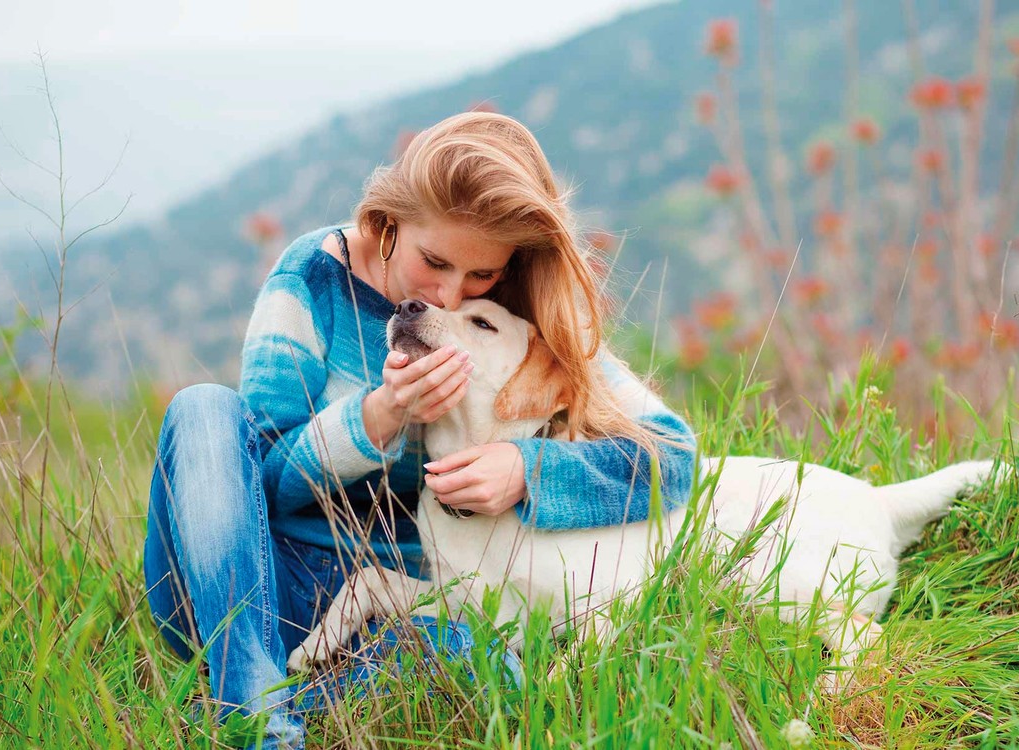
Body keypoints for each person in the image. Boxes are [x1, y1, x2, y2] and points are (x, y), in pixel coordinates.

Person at [143, 111, 697, 749]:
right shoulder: (314, 280)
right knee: (203, 407)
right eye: (433, 261)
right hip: (246, 586)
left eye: (480, 275)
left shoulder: (515, 307)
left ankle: (286, 700)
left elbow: (673, 453)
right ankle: (255, 714)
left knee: (492, 668)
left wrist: (528, 471)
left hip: (393, 605)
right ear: (386, 225)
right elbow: (259, 478)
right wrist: (375, 418)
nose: (451, 297)